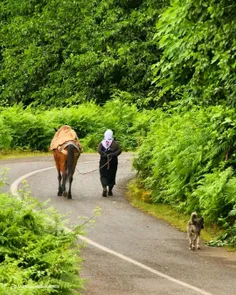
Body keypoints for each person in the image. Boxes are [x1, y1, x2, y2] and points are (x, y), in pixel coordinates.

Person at [98, 129, 122, 197]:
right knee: (112, 175)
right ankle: (110, 190)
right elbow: (119, 150)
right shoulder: (115, 143)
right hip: (113, 162)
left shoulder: (102, 143)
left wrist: (104, 154)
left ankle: (104, 187)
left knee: (103, 174)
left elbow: (99, 150)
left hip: (103, 161)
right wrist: (113, 154)